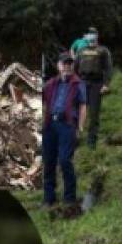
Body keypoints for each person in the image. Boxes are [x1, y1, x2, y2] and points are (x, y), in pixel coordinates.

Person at [41, 53, 86, 209]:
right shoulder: (51, 83)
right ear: (58, 65)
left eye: (70, 63)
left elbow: (82, 105)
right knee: (48, 161)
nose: (67, 66)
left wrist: (80, 127)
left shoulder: (77, 83)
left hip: (67, 125)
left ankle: (70, 198)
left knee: (65, 160)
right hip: (50, 126)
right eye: (64, 63)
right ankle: (49, 199)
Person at [74, 30, 113, 149]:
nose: (92, 38)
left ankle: (92, 141)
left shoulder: (103, 50)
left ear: (97, 37)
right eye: (90, 35)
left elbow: (108, 68)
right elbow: (75, 68)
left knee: (94, 114)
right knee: (77, 111)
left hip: (96, 84)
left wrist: (106, 84)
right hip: (82, 82)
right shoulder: (81, 51)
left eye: (94, 35)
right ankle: (74, 138)